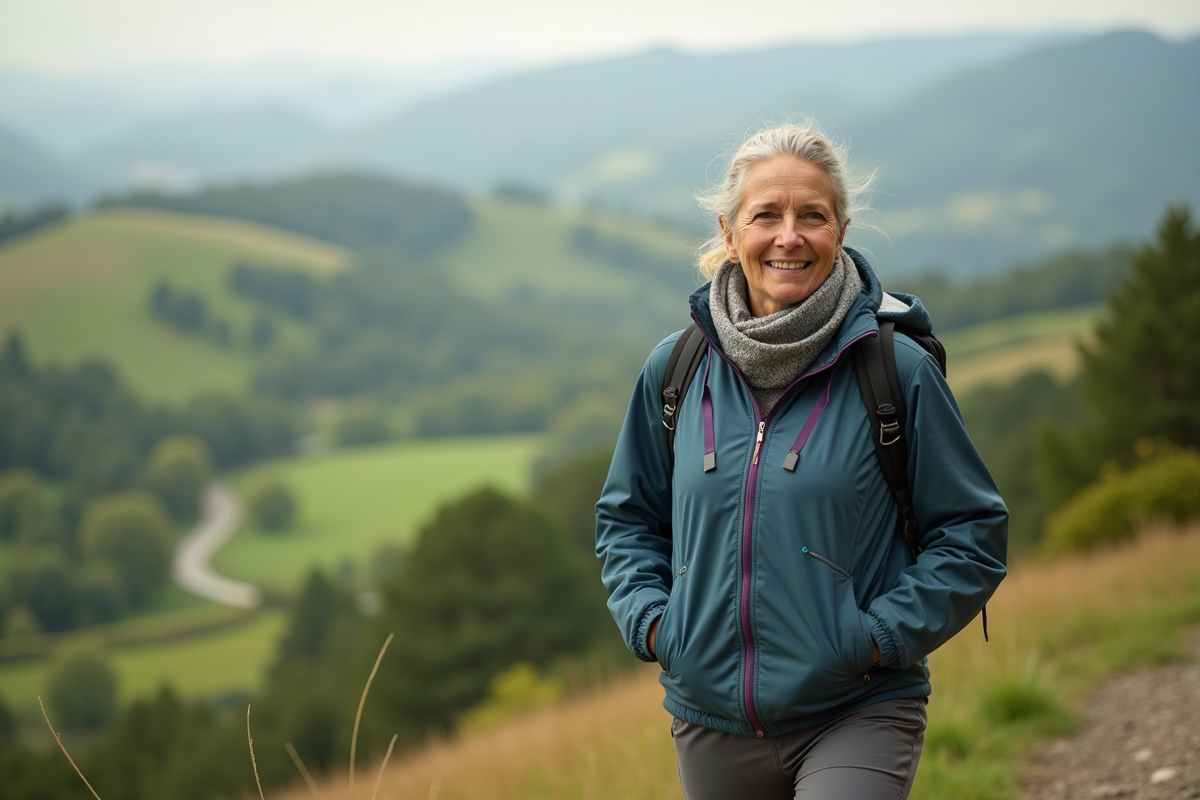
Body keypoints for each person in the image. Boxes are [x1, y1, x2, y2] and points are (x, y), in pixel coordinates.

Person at [595, 123, 1008, 799]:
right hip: (711, 720)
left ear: (840, 230)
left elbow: (973, 532)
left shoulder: (894, 369)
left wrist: (872, 640)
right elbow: (627, 520)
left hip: (859, 706)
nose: (789, 236)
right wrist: (656, 625)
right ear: (730, 233)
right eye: (767, 215)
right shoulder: (674, 371)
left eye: (811, 215)